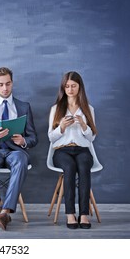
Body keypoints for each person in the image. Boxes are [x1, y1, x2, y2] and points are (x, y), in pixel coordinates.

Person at [0, 67, 38, 230]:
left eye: (8, 84)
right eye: (1, 84)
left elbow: (33, 138)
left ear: (12, 83)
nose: (5, 88)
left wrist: (23, 140)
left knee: (21, 160)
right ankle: (2, 207)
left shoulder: (24, 107)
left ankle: (3, 211)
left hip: (15, 151)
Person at [48, 71, 97, 229]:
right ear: (63, 88)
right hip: (62, 150)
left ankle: (83, 214)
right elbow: (51, 137)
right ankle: (70, 214)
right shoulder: (56, 109)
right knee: (69, 168)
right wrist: (61, 127)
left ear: (79, 87)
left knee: (84, 167)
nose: (70, 89)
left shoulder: (88, 109)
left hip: (82, 150)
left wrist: (84, 125)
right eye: (67, 86)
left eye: (73, 86)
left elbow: (91, 138)